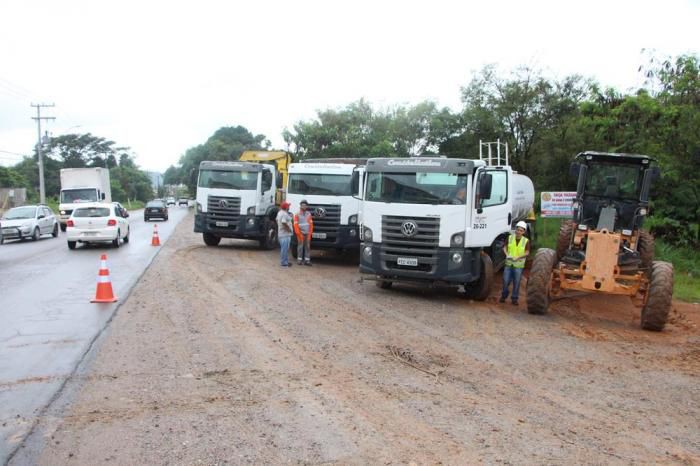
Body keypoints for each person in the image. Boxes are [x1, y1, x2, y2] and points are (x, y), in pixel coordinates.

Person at [500, 221, 530, 305]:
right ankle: (504, 295)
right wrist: (506, 254)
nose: (518, 232)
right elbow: (504, 247)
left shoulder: (526, 241)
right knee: (505, 281)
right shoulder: (510, 238)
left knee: (516, 282)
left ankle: (514, 298)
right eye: (517, 229)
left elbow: (527, 252)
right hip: (509, 264)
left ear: (523, 232)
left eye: (521, 230)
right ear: (515, 229)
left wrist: (518, 257)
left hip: (518, 265)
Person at [293, 199, 314, 266]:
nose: (304, 206)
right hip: (300, 234)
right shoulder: (297, 214)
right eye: (303, 205)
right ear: (300, 206)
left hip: (307, 233)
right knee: (300, 247)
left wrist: (310, 233)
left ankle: (307, 260)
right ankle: (299, 260)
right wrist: (299, 234)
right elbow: (295, 225)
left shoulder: (309, 214)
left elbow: (311, 224)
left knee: (307, 246)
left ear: (307, 206)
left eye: (305, 205)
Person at [276, 201, 293, 267]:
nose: (289, 207)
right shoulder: (284, 214)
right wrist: (288, 229)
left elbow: (277, 220)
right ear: (286, 207)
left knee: (284, 249)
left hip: (281, 234)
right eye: (288, 206)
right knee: (284, 249)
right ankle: (284, 263)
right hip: (285, 234)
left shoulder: (280, 212)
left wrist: (279, 226)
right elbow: (283, 222)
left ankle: (285, 261)